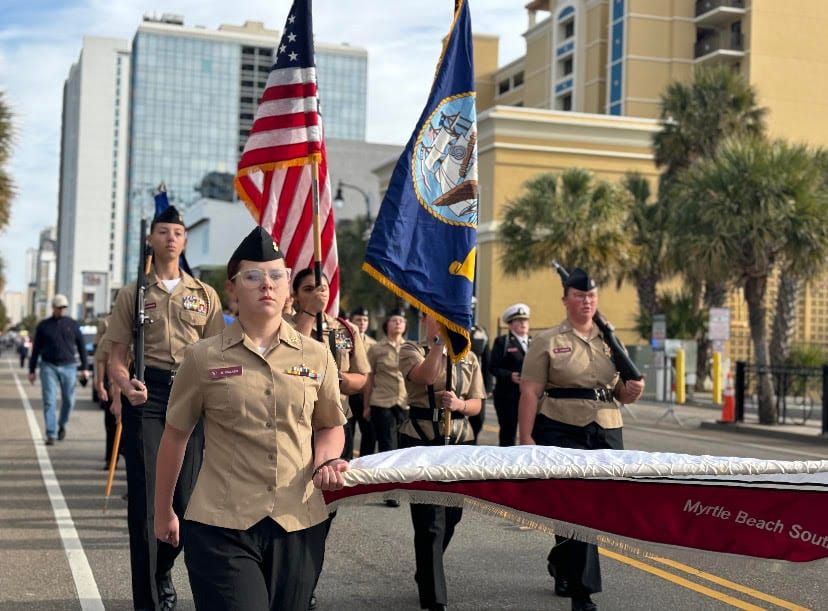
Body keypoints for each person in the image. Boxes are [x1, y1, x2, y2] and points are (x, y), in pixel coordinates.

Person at [154, 226, 347, 610]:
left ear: (289, 288)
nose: (267, 285)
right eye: (253, 277)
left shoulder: (316, 355)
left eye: (277, 276)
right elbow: (175, 436)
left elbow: (330, 424)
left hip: (299, 521)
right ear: (232, 289)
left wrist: (327, 459)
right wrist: (163, 512)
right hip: (221, 523)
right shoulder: (203, 357)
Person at [107, 205, 224, 611]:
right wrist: (125, 385)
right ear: (151, 239)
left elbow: (218, 357)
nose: (171, 237)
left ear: (185, 240)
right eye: (163, 231)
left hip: (192, 396)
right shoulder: (133, 294)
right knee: (145, 502)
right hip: (149, 396)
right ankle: (150, 600)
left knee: (185, 501)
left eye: (177, 231)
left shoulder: (205, 296)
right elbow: (116, 357)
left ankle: (163, 568)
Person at [518, 269, 645, 611]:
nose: (586, 301)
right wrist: (526, 437)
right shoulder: (547, 340)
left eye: (591, 296)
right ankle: (582, 593)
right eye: (579, 295)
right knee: (577, 507)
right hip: (561, 426)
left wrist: (632, 391)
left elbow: (620, 391)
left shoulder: (609, 340)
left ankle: (561, 560)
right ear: (565, 299)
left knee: (598, 509)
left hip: (605, 426)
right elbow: (530, 391)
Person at [399, 314, 484, 611]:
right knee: (429, 521)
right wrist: (439, 346)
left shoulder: (470, 356)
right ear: (426, 319)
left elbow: (477, 402)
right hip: (422, 439)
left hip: (458, 441)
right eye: (438, 318)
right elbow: (424, 377)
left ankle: (426, 569)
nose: (445, 322)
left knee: (451, 517)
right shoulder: (412, 349)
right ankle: (434, 600)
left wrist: (460, 404)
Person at [290, 269, 369, 456]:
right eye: (308, 289)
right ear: (295, 296)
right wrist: (310, 312)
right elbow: (291, 353)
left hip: (337, 421)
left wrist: (338, 379)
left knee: (337, 481)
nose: (317, 294)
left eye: (322, 289)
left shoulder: (345, 329)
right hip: (296, 422)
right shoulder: (282, 326)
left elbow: (362, 378)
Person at [27, 294, 89, 445]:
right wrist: (32, 370)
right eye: (59, 307)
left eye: (64, 307)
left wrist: (85, 368)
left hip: (69, 367)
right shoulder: (43, 326)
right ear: (53, 308)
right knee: (49, 401)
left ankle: (61, 424)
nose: (62, 310)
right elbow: (35, 350)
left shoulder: (73, 325)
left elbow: (81, 347)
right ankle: (51, 433)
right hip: (48, 366)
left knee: (69, 400)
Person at [364, 309, 408, 507]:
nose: (398, 323)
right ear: (386, 325)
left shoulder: (411, 348)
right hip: (382, 402)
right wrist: (366, 405)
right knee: (388, 447)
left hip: (405, 403)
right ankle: (390, 491)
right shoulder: (376, 348)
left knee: (402, 448)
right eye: (394, 320)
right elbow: (369, 378)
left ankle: (400, 485)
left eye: (401, 320)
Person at [489, 303, 531, 447]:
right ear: (510, 324)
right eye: (518, 321)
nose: (523, 323)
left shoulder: (534, 343)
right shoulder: (502, 342)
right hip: (508, 396)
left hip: (529, 395)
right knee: (508, 433)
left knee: (531, 433)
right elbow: (492, 367)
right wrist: (509, 376)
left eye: (525, 320)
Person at [349, 306, 377, 458]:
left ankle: (366, 464)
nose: (362, 323)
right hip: (348, 391)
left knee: (369, 433)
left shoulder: (374, 345)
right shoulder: (345, 339)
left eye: (365, 320)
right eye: (358, 319)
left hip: (367, 393)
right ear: (351, 321)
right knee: (348, 432)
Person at [94, 316, 122, 468]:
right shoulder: (109, 328)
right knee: (111, 423)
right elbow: (102, 359)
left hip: (135, 382)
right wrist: (101, 383)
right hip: (113, 382)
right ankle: (111, 458)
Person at [467, 299, 491, 443]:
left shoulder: (480, 333)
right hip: (455, 383)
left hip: (476, 385)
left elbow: (487, 362)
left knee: (478, 421)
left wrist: (487, 387)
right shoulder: (448, 328)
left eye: (471, 309)